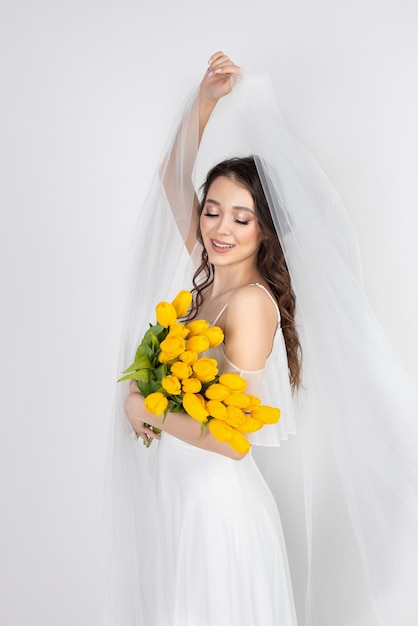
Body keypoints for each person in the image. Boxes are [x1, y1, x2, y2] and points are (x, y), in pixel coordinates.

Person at [103, 53, 418, 626]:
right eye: (213, 211)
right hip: (184, 499)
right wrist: (206, 101)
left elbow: (234, 440)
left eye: (241, 219)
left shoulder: (249, 305)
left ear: (266, 231)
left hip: (217, 512)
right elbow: (173, 178)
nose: (220, 228)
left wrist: (144, 409)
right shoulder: (211, 275)